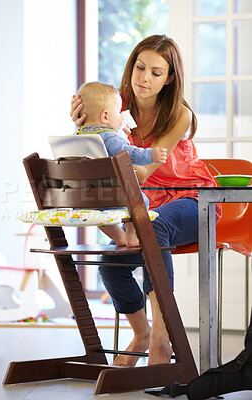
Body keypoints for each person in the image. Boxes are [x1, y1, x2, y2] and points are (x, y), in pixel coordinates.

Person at [70, 34, 222, 367]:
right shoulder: (113, 106)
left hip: (194, 200)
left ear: (170, 78)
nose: (144, 78)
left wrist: (104, 140)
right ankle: (140, 333)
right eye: (140, 67)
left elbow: (142, 173)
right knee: (111, 264)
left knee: (155, 227)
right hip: (144, 207)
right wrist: (84, 127)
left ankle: (161, 334)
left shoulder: (178, 113)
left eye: (156, 72)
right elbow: (88, 151)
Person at [76, 81, 167, 247]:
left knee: (99, 215)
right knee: (141, 201)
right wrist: (151, 154)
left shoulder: (76, 136)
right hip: (114, 196)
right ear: (105, 116)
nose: (122, 116)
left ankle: (119, 236)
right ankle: (131, 235)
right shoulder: (110, 136)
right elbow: (130, 154)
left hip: (84, 199)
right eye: (118, 112)